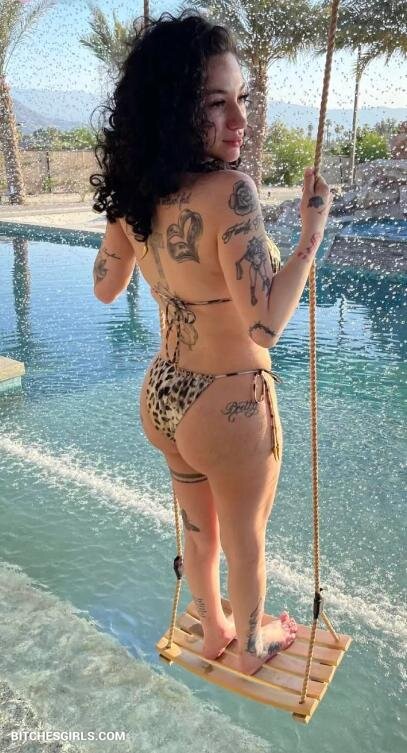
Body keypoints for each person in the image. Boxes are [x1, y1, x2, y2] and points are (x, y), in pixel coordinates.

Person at [90, 10, 333, 676]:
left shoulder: (134, 194)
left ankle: (213, 629)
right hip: (228, 403)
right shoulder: (231, 192)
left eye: (241, 99)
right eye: (216, 104)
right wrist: (310, 237)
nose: (239, 120)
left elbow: (105, 288)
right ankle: (252, 645)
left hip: (164, 396)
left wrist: (120, 222)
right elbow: (265, 326)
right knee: (244, 540)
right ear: (173, 109)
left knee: (200, 531)